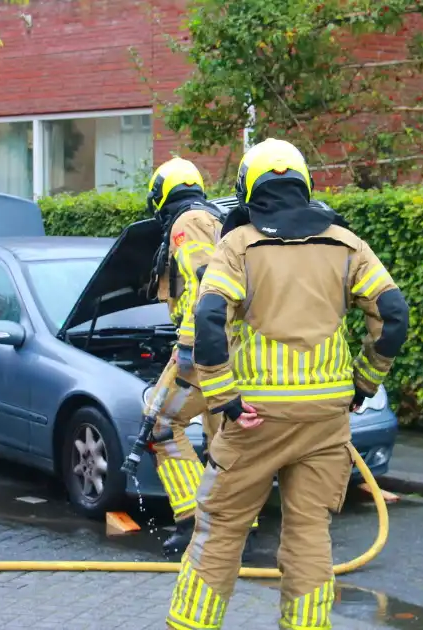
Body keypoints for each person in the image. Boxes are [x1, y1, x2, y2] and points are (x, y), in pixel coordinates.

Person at [164, 138, 410, 629]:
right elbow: (393, 314)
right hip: (325, 420)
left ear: (247, 189)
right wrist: (363, 383)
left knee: (219, 531)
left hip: (255, 419)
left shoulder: (238, 244)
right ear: (305, 185)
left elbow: (209, 318)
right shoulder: (346, 244)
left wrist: (223, 397)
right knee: (309, 533)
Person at [143, 157, 258, 558]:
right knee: (223, 434)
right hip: (231, 346)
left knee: (160, 426)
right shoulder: (212, 216)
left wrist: (190, 346)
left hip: (205, 346)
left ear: (161, 196)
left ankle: (192, 520)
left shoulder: (185, 223)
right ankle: (238, 523)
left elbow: (202, 282)